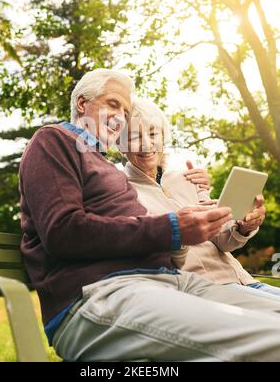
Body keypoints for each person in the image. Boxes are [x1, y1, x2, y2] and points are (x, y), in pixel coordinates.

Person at [19, 69, 280, 362]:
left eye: (125, 110)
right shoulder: (55, 140)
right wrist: (174, 228)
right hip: (103, 295)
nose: (120, 117)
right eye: (113, 104)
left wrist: (198, 228)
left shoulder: (107, 171)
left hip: (168, 283)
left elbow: (152, 239)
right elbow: (63, 232)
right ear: (82, 104)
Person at [123, 96, 280, 301]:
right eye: (134, 137)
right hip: (201, 290)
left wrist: (244, 226)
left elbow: (223, 241)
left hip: (244, 280)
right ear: (119, 143)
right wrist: (178, 229)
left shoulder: (189, 177)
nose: (146, 144)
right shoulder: (121, 192)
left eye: (153, 133)